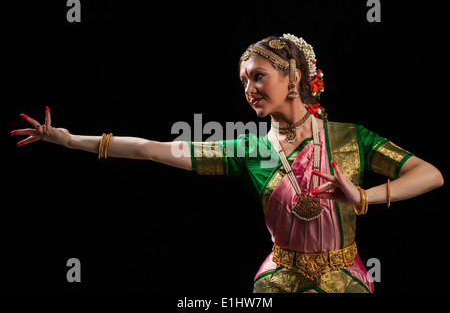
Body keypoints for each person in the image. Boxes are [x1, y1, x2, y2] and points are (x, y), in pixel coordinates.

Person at [11, 33, 443, 293]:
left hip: (345, 279)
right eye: (243, 81)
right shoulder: (246, 149)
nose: (249, 88)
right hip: (277, 279)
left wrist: (365, 195)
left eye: (258, 76)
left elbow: (430, 174)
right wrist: (67, 140)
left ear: (293, 76)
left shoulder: (351, 138)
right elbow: (150, 148)